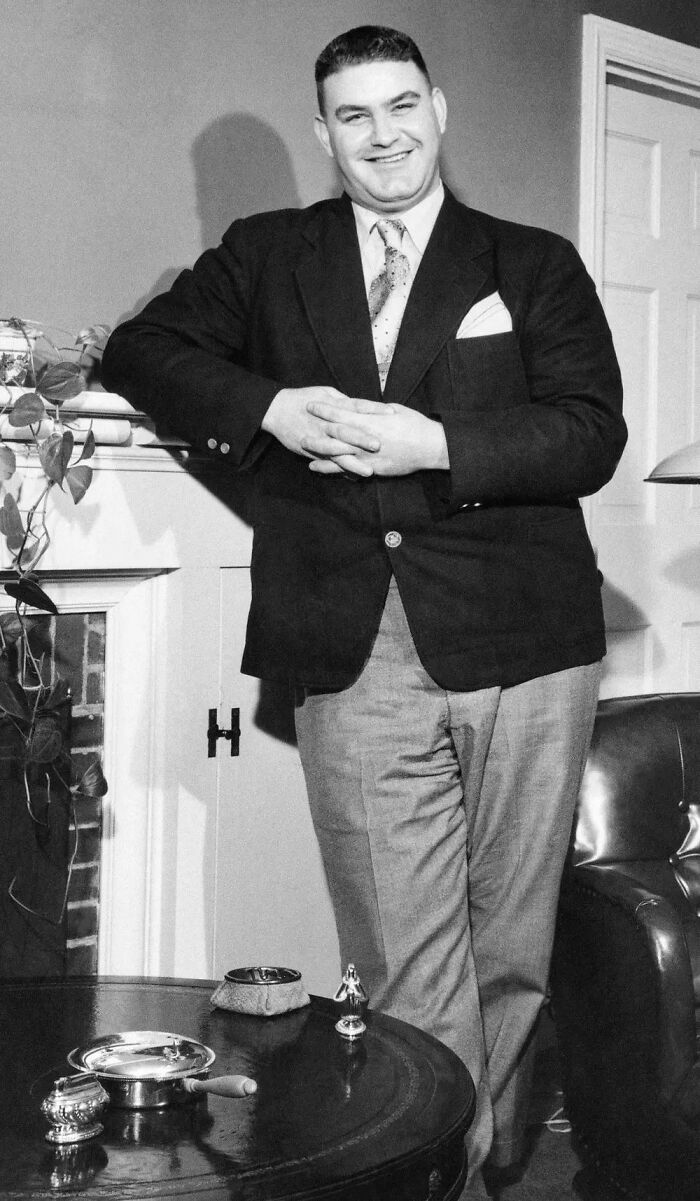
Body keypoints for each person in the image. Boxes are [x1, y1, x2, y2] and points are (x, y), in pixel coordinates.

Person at [101, 24, 626, 1196]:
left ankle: (487, 1162)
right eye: (352, 115)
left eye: (399, 106)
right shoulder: (267, 253)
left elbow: (589, 431)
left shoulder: (530, 262)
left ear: (439, 110)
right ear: (324, 133)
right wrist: (270, 407)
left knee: (511, 949)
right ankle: (438, 1182)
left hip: (528, 641)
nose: (381, 135)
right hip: (350, 644)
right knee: (401, 960)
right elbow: (143, 348)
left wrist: (436, 442)